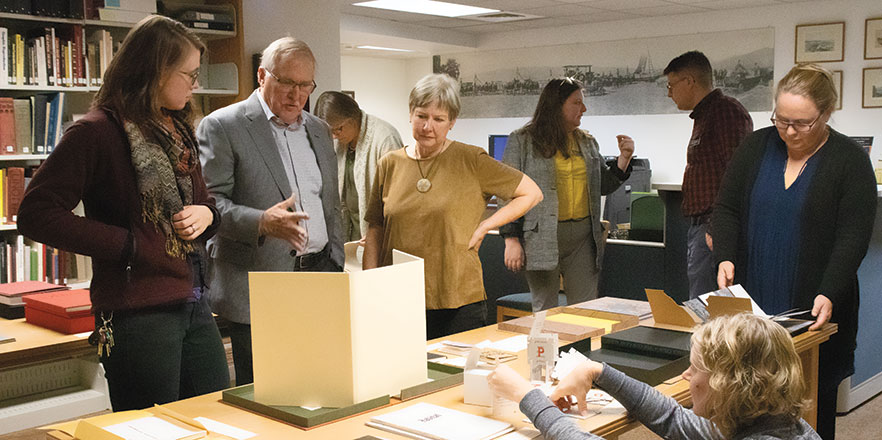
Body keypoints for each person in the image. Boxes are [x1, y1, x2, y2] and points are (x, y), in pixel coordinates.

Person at [17, 16, 229, 410]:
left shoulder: (177, 130)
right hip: (138, 315)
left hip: (195, 302)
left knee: (215, 419)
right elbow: (36, 213)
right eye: (188, 74)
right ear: (155, 71)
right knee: (151, 431)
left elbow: (208, 204)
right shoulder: (96, 132)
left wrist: (207, 215)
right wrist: (128, 244)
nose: (194, 84)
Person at [713, 63, 877, 439]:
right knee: (748, 405)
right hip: (754, 307)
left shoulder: (849, 161)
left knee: (807, 412)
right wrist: (725, 254)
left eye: (802, 123)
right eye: (782, 119)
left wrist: (829, 291)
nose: (788, 131)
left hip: (811, 307)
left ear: (827, 113)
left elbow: (852, 237)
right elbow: (727, 208)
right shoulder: (757, 145)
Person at [197, 37, 344, 386]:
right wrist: (261, 221)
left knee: (322, 383)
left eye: (305, 86)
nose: (297, 96)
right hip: (260, 281)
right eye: (287, 83)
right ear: (262, 75)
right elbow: (210, 204)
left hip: (321, 275)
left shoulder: (319, 130)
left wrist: (335, 257)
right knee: (268, 390)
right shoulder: (223, 126)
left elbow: (330, 203)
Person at [362, 74, 542, 339]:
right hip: (397, 298)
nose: (428, 127)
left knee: (455, 378)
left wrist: (485, 226)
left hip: (457, 297)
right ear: (410, 114)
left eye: (439, 119)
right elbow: (376, 227)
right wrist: (369, 285)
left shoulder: (471, 159)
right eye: (422, 116)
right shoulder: (389, 164)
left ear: (452, 123)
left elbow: (531, 193)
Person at [488, 313, 820, 440]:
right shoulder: (778, 425)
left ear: (727, 383)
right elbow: (672, 416)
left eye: (696, 368)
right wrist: (597, 371)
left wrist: (527, 397)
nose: (687, 375)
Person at [500, 77, 634, 312]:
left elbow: (602, 184)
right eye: (577, 103)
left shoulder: (587, 142)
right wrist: (510, 239)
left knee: (585, 311)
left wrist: (624, 160)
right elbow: (507, 191)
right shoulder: (523, 140)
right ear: (556, 104)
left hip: (583, 238)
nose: (584, 109)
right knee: (545, 310)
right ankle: (545, 351)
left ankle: (579, 350)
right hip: (541, 237)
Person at [663, 51, 753, 300]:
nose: (669, 93)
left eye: (671, 85)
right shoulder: (705, 115)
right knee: (701, 304)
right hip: (701, 228)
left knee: (707, 310)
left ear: (690, 81)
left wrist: (717, 229)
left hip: (712, 229)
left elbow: (736, 175)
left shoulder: (725, 113)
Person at [313, 91, 403, 241]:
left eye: (339, 129)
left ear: (354, 118)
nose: (335, 136)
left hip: (377, 234)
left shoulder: (385, 138)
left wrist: (377, 233)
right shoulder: (339, 141)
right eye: (330, 132)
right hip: (350, 231)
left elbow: (396, 197)